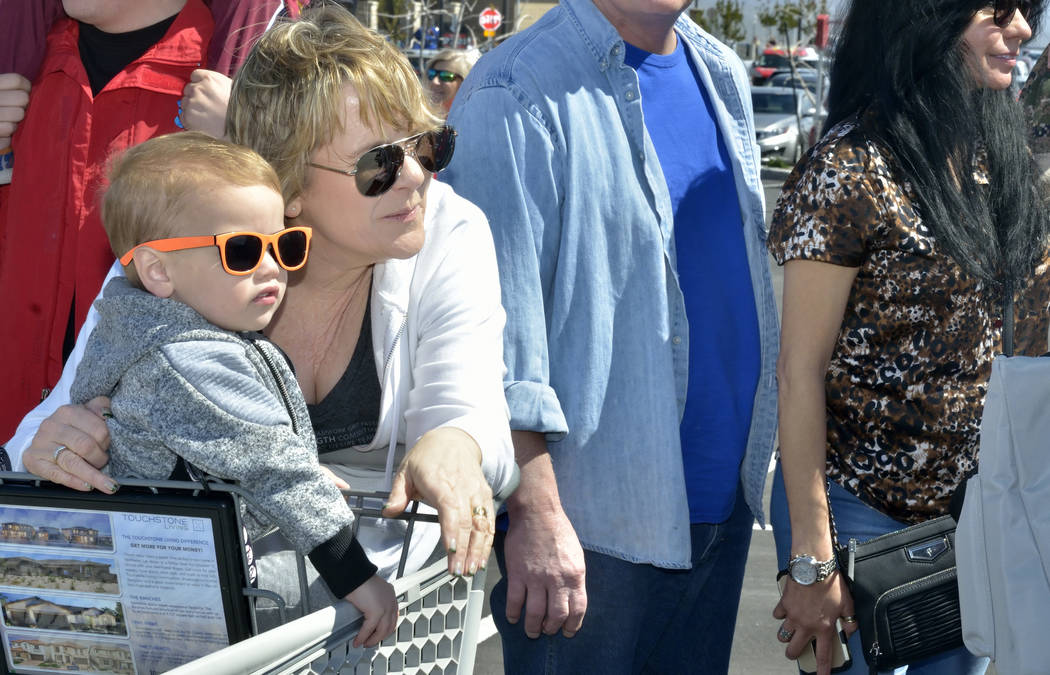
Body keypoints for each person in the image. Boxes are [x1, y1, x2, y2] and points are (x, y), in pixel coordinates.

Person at [8, 4, 515, 588]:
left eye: (425, 147)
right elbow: (55, 414)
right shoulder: (192, 241)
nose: (417, 177)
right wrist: (48, 446)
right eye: (379, 163)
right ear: (288, 186)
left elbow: (471, 406)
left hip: (382, 604)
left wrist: (457, 444)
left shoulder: (450, 230)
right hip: (203, 592)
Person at [444, 0, 779, 671]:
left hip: (719, 508)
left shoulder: (722, 72)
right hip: (589, 531)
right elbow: (487, 337)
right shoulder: (511, 92)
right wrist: (534, 512)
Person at [768, 1, 1050, 674]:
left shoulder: (993, 161)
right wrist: (812, 562)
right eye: (1000, 10)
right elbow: (796, 372)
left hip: (973, 517)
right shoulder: (850, 168)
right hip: (859, 519)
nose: (1024, 30)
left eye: (1030, 10)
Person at [72, 131, 397, 646]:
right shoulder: (188, 360)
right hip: (211, 597)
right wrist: (354, 574)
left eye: (285, 244)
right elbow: (271, 463)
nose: (272, 265)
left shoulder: (147, 329)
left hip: (174, 588)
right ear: (158, 270)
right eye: (243, 250)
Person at [424, 48, 479, 113]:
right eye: (431, 74)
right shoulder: (420, 116)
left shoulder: (475, 119)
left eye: (446, 76)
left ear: (465, 82)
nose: (434, 81)